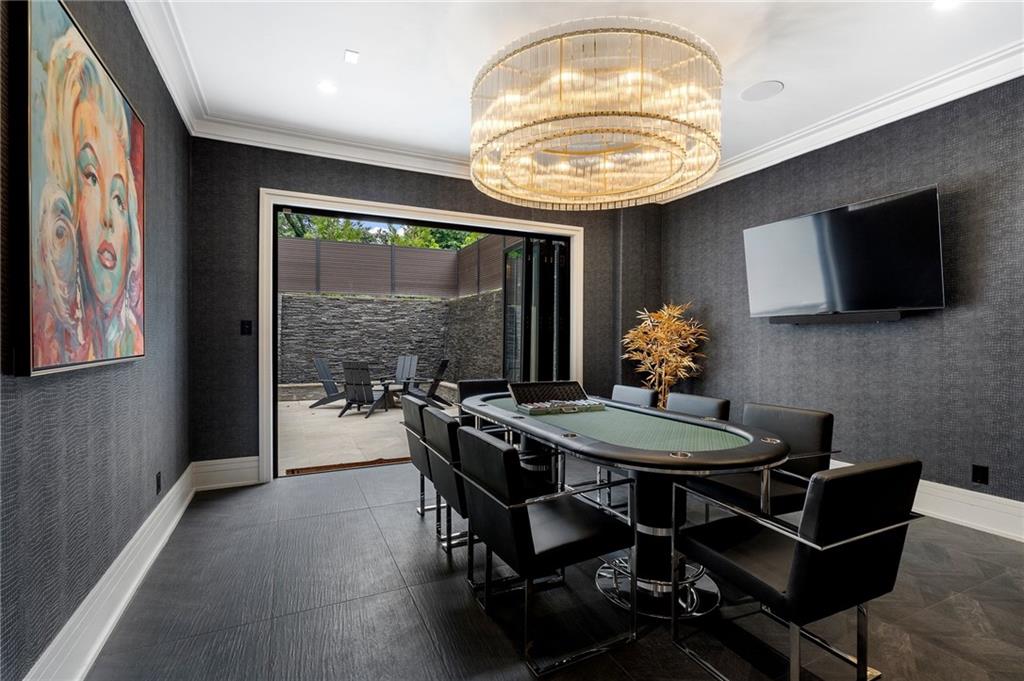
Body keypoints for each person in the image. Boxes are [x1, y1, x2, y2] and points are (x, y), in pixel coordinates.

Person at [33, 27, 143, 368]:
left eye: (119, 197)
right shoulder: (44, 334)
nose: (108, 219)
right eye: (91, 178)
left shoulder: (131, 338)